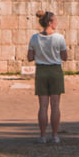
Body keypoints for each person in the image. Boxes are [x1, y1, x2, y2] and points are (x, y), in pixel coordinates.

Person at [26, 10, 68, 143]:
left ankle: (42, 136)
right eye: (55, 20)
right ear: (50, 23)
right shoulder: (59, 38)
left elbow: (30, 57)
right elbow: (64, 57)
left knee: (43, 106)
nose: (56, 23)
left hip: (41, 71)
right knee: (55, 105)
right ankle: (55, 135)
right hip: (55, 70)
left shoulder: (34, 38)